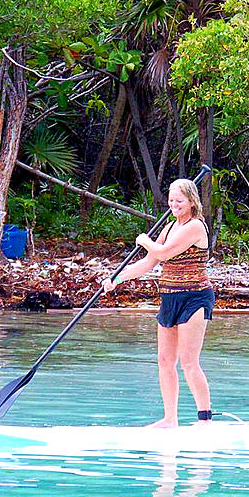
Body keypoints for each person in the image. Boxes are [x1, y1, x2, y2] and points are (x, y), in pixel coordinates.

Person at [102, 178, 215, 428]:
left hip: (195, 297)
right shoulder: (169, 228)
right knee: (165, 360)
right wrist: (117, 278)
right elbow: (148, 264)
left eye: (179, 201)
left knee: (188, 361)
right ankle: (170, 419)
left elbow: (163, 253)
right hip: (170, 297)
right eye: (171, 200)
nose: (174, 205)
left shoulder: (196, 227)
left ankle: (205, 419)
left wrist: (144, 241)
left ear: (191, 201)